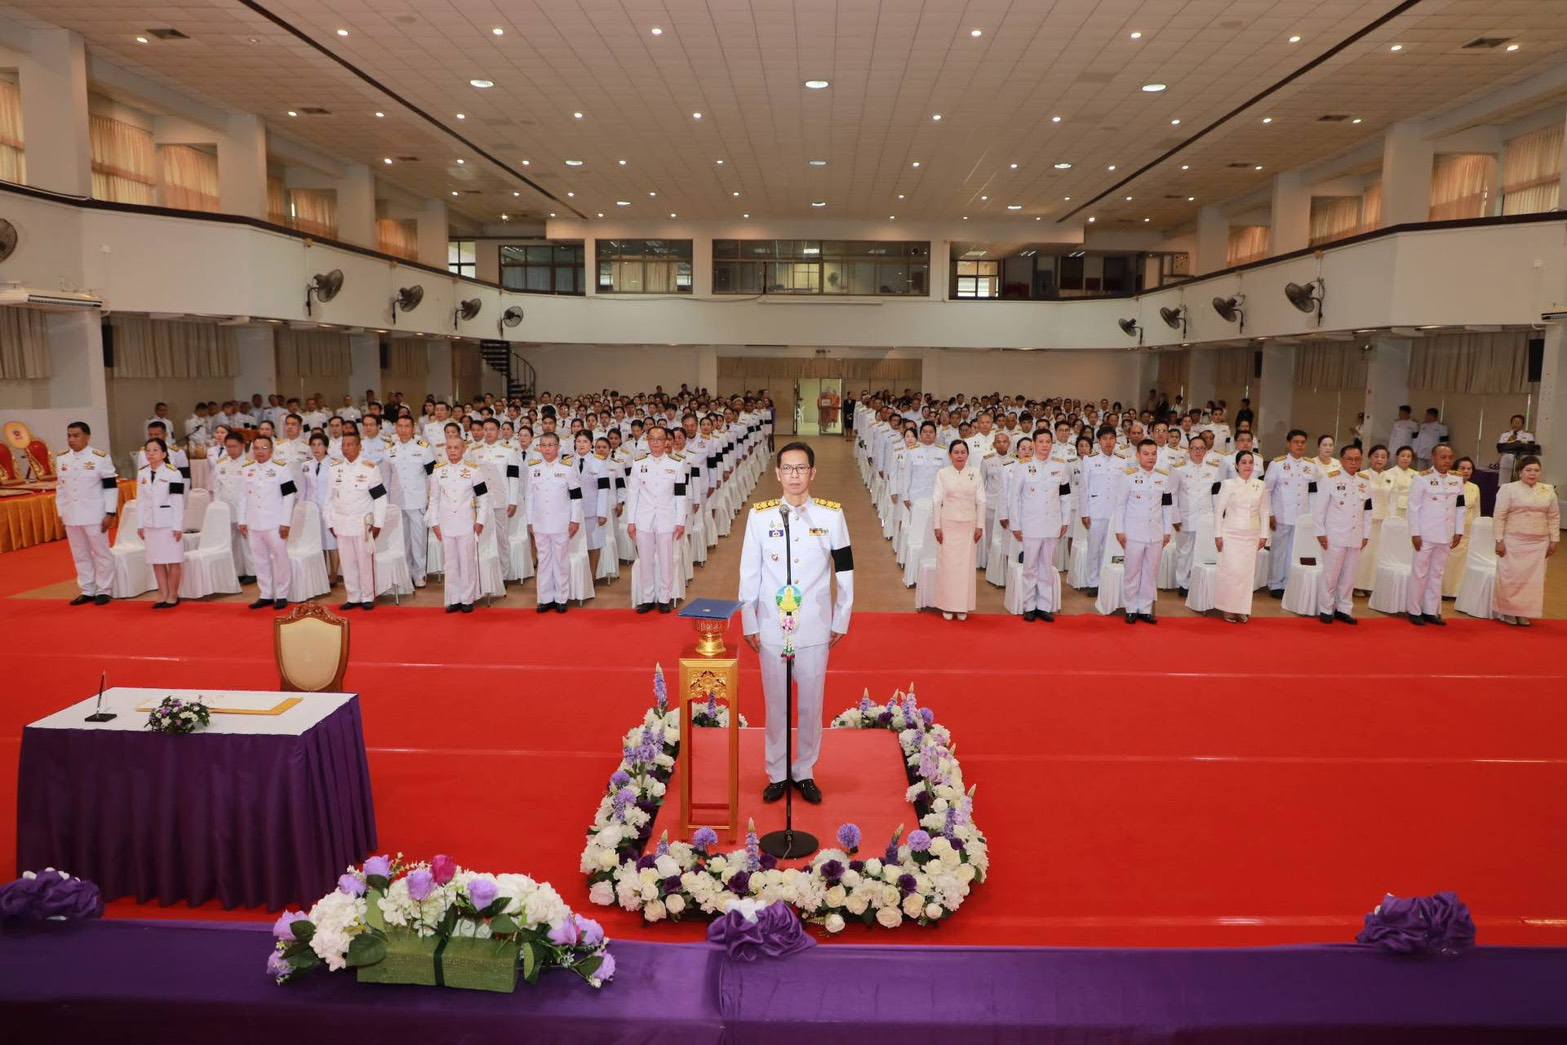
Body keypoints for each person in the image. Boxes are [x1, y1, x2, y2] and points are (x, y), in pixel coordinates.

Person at [738, 442, 853, 805]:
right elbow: (749, 572)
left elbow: (845, 571)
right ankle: (776, 771)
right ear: (777, 474)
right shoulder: (760, 516)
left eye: (800, 468)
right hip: (773, 625)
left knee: (810, 704)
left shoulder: (832, 517)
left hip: (815, 625)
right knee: (775, 703)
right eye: (787, 469)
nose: (794, 476)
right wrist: (749, 620)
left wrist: (841, 617)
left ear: (812, 473)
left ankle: (804, 771)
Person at [55, 421, 120, 605]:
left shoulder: (99, 457)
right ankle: (87, 589)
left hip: (94, 514)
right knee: (80, 554)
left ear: (87, 437)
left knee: (101, 552)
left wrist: (110, 512)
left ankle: (104, 590)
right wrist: (61, 512)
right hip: (71, 514)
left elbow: (110, 486)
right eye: (69, 435)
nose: (71, 439)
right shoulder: (62, 458)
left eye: (76, 435)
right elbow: (60, 487)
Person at [1010, 431, 1071, 622]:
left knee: (1046, 566)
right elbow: (1014, 497)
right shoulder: (1023, 465)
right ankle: (1029, 605)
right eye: (1041, 442)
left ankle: (1044, 606)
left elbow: (1065, 496)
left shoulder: (1060, 466)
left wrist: (1065, 520)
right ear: (1034, 444)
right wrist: (1015, 524)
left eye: (1048, 442)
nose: (1045, 445)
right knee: (1029, 567)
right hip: (1030, 524)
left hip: (1052, 524)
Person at [626, 425, 688, 613]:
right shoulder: (638, 464)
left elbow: (680, 495)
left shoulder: (676, 464)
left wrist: (680, 521)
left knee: (666, 559)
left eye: (659, 439)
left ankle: (664, 598)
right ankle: (647, 598)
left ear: (666, 442)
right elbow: (633, 494)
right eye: (652, 439)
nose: (655, 443)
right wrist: (631, 521)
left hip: (666, 518)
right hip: (643, 518)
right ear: (648, 441)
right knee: (645, 560)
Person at [1112, 439, 1173, 624]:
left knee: (1151, 572)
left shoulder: (1163, 476)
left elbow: (1167, 506)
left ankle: (1145, 608)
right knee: (1132, 571)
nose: (1150, 457)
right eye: (1146, 453)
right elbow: (1120, 505)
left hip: (1155, 533)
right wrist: (1120, 530)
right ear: (1138, 455)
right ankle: (1131, 608)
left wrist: (1167, 530)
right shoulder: (1128, 476)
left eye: (1153, 453)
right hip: (1134, 533)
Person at [1493, 456, 1559, 627]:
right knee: (1511, 577)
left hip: (1539, 542)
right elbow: (1499, 516)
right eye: (1528, 470)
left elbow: (1553, 516)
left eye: (1536, 470)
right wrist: (1499, 539)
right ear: (1520, 472)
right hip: (1514, 540)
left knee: (1533, 580)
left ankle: (1524, 613)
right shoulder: (1508, 489)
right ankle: (1508, 612)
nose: (1532, 473)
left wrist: (1554, 540)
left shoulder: (1548, 490)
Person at [327, 429, 389, 611]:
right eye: (343, 445)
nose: (346, 448)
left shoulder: (370, 468)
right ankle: (353, 596)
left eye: (350, 444)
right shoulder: (335, 468)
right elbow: (329, 499)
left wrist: (378, 524)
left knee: (364, 562)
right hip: (341, 523)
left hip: (363, 524)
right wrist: (330, 522)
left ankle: (368, 596)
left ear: (359, 447)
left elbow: (380, 499)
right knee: (347, 562)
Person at [1310, 445, 1372, 624]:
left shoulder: (1365, 481)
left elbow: (1368, 510)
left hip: (1355, 535)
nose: (1354, 463)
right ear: (1342, 460)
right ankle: (1326, 608)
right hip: (1334, 534)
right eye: (1350, 459)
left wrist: (1366, 534)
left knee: (1349, 575)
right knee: (1331, 574)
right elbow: (1319, 509)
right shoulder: (1330, 479)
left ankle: (1344, 609)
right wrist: (1321, 532)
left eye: (1357, 459)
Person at [428, 438, 490, 614]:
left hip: (466, 523)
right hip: (446, 523)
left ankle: (467, 599)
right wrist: (434, 523)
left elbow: (483, 498)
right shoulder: (438, 470)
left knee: (466, 561)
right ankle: (453, 599)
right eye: (449, 448)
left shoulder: (473, 470)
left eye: (456, 448)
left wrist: (480, 521)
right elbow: (433, 499)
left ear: (464, 449)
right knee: (451, 563)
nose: (453, 451)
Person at [1405, 445, 1465, 626]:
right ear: (1433, 458)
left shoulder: (1457, 479)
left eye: (1450, 457)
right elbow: (1413, 508)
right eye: (1443, 457)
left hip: (1446, 534)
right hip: (1426, 534)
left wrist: (1459, 530)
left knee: (1437, 573)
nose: (1447, 460)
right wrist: (1415, 533)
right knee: (1420, 573)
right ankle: (1414, 610)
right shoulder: (1421, 478)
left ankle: (1431, 610)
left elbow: (1460, 507)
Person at [237, 435, 297, 611]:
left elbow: (289, 496)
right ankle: (265, 594)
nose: (260, 452)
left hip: (275, 522)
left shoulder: (281, 469)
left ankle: (282, 594)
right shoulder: (246, 469)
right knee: (259, 559)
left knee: (280, 559)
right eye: (256, 448)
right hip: (254, 522)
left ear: (271, 450)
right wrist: (242, 520)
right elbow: (242, 496)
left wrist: (285, 522)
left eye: (264, 448)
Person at [526, 431, 583, 613]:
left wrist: (574, 519)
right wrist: (529, 521)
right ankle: (544, 598)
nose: (548, 448)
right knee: (543, 560)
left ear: (558, 447)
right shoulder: (533, 468)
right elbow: (529, 496)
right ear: (539, 448)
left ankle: (561, 598)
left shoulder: (567, 468)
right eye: (544, 445)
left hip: (561, 522)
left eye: (551, 445)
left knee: (560, 560)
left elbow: (576, 496)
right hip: (540, 522)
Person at [931, 439, 985, 621]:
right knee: (948, 567)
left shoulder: (975, 473)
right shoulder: (942, 474)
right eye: (956, 452)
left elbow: (981, 501)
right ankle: (947, 605)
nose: (960, 455)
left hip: (968, 527)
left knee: (966, 568)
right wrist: (937, 526)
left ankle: (962, 606)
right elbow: (937, 501)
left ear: (968, 455)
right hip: (948, 526)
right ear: (950, 455)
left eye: (963, 452)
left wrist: (980, 526)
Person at [1214, 451, 1268, 623]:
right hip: (1231, 534)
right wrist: (1218, 534)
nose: (1247, 466)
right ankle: (1228, 609)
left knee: (1246, 574)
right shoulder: (1228, 484)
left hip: (1251, 535)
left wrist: (1264, 535)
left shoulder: (1260, 485)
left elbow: (1265, 511)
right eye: (1243, 462)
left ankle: (1242, 609)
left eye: (1250, 462)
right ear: (1236, 465)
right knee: (1231, 572)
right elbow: (1218, 511)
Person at [383, 417, 436, 588]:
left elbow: (432, 476)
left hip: (417, 499)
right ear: (396, 428)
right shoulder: (389, 450)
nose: (403, 429)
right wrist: (385, 503)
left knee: (418, 539)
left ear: (413, 429)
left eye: (407, 426)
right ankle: (405, 573)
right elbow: (385, 478)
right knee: (401, 540)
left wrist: (431, 499)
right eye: (400, 426)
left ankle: (419, 574)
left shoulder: (423, 448)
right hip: (397, 501)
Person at [1264, 429, 1317, 597]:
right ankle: (1275, 584)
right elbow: (1267, 491)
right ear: (1289, 444)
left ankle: (1289, 583)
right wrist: (1270, 514)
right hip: (1281, 515)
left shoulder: (1311, 465)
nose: (1299, 445)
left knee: (1295, 551)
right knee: (1279, 551)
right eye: (1296, 442)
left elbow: (1314, 492)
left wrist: (1313, 515)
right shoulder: (1277, 464)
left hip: (1302, 516)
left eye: (1303, 442)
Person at [137, 438, 186, 609]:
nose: (150, 454)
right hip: (150, 524)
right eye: (148, 450)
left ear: (164, 454)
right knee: (157, 560)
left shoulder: (173, 473)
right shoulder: (142, 473)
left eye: (155, 450)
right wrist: (140, 524)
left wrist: (178, 526)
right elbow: (141, 501)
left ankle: (173, 595)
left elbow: (178, 502)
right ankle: (163, 594)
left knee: (173, 560)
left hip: (168, 524)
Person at [1171, 437, 1221, 594]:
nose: (1198, 451)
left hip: (1206, 518)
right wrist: (1175, 518)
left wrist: (1218, 518)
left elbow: (1217, 495)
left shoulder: (1215, 469)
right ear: (1189, 450)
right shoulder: (1178, 469)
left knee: (1203, 551)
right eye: (1194, 448)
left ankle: (1198, 583)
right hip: (1185, 518)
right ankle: (1183, 584)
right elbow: (1171, 495)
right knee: (1184, 552)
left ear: (1205, 450)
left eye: (1201, 448)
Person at [1077, 425, 1122, 595]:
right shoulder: (1089, 460)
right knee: (1094, 548)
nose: (1108, 442)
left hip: (1114, 512)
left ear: (1116, 440)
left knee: (1110, 548)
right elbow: (1083, 488)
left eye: (1111, 438)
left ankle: (1106, 580)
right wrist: (1084, 512)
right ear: (1099, 441)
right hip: (1095, 511)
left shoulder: (1122, 461)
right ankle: (1093, 582)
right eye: (1104, 439)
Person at [1441, 456, 1482, 599]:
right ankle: (1444, 590)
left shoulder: (1474, 487)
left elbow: (1477, 510)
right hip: (1450, 527)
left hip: (1468, 529)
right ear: (1455, 469)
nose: (1466, 471)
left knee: (1463, 562)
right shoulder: (1447, 485)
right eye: (1462, 468)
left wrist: (1477, 529)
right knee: (1448, 559)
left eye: (1469, 468)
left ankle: (1458, 592)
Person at [1354, 445, 1392, 593]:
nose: (1379, 459)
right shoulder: (1362, 475)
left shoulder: (1390, 477)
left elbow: (1392, 500)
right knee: (1363, 553)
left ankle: (1371, 586)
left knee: (1377, 554)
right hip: (1366, 519)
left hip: (1383, 520)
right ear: (1370, 457)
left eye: (1383, 456)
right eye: (1376, 456)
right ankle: (1357, 585)